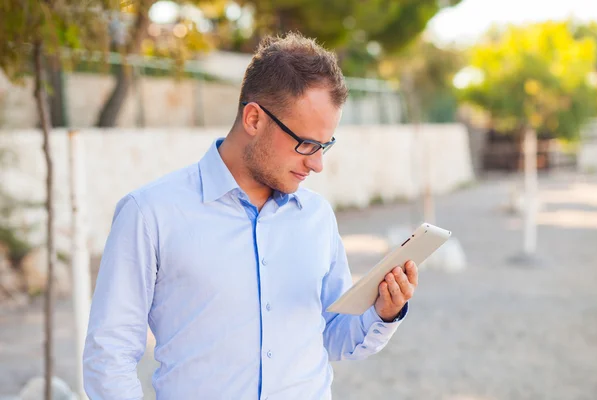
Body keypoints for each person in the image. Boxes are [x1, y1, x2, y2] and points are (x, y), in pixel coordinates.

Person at [83, 32, 418, 400]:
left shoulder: (317, 217)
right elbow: (108, 356)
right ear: (254, 119)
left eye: (326, 146)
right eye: (306, 144)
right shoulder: (149, 214)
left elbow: (334, 336)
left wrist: (383, 312)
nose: (318, 164)